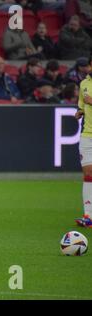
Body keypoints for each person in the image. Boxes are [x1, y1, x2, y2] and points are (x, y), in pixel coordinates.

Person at [74, 56, 92, 228]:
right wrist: (79, 111)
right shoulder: (84, 83)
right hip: (87, 134)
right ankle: (88, 216)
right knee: (88, 174)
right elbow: (82, 104)